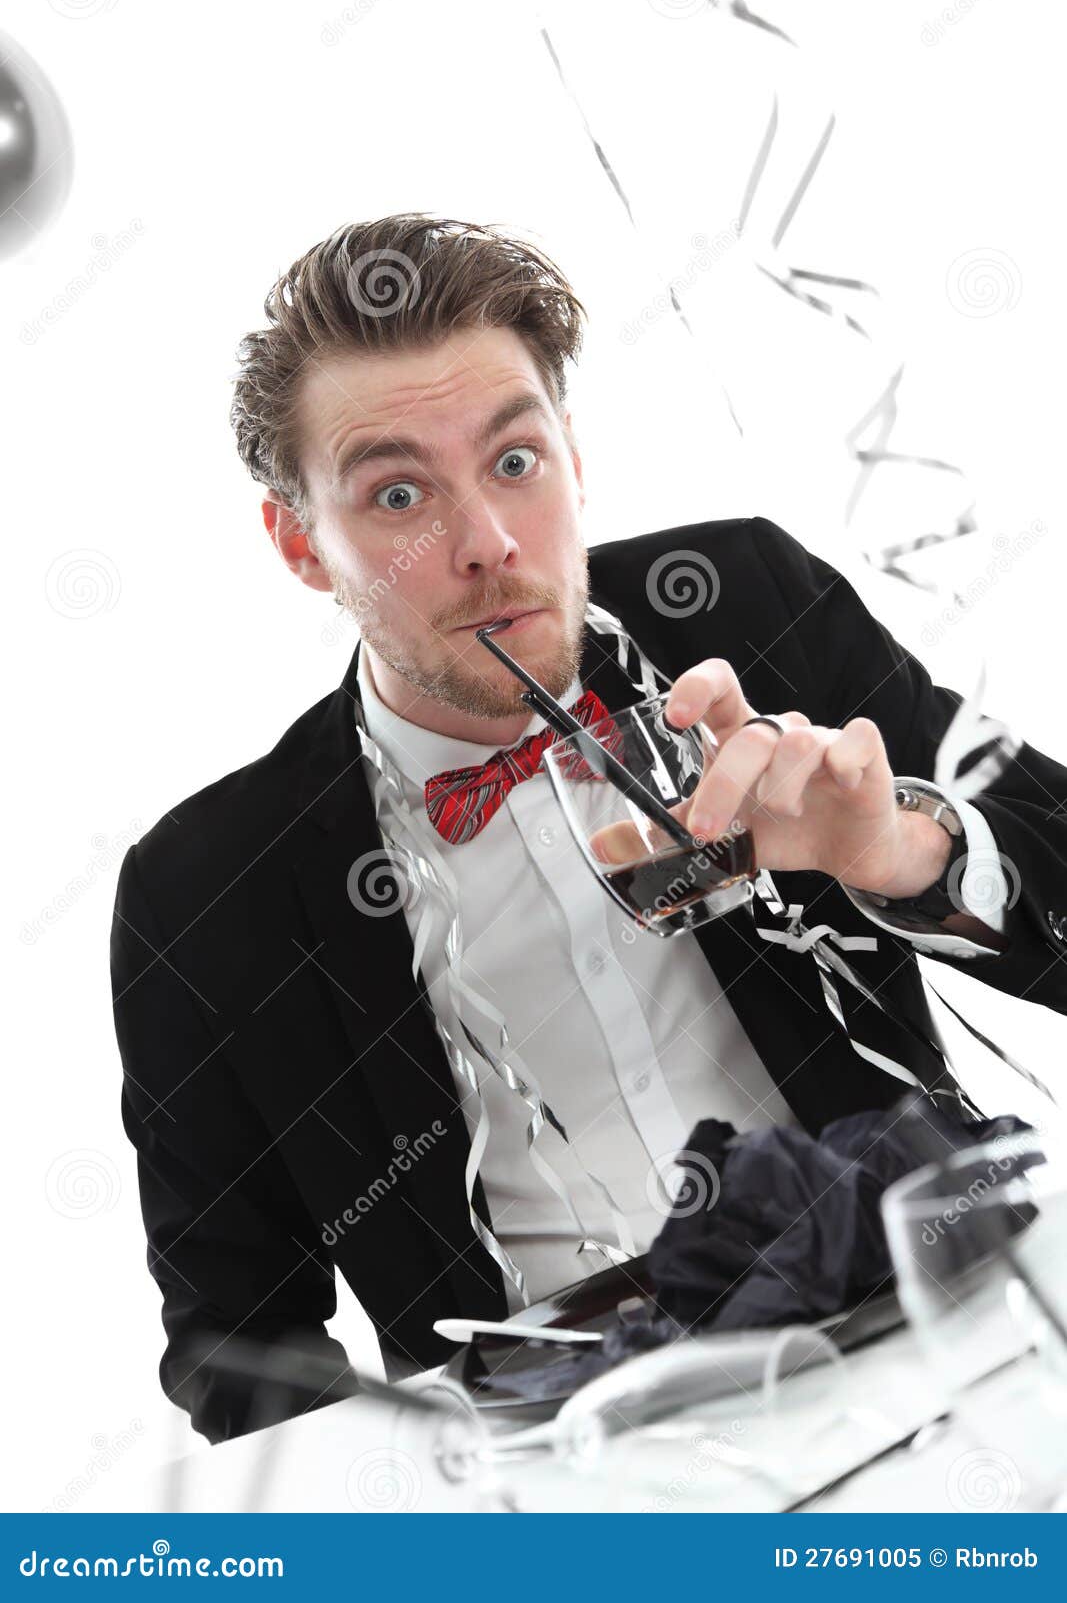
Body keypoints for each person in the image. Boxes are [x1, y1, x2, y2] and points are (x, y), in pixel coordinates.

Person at [110, 214, 1067, 1444]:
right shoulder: (203, 891)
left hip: (942, 1345)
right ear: (303, 543)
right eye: (397, 492)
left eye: (515, 461)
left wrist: (901, 855)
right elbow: (235, 1349)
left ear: (572, 453)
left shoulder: (746, 600)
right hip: (565, 1475)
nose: (488, 545)